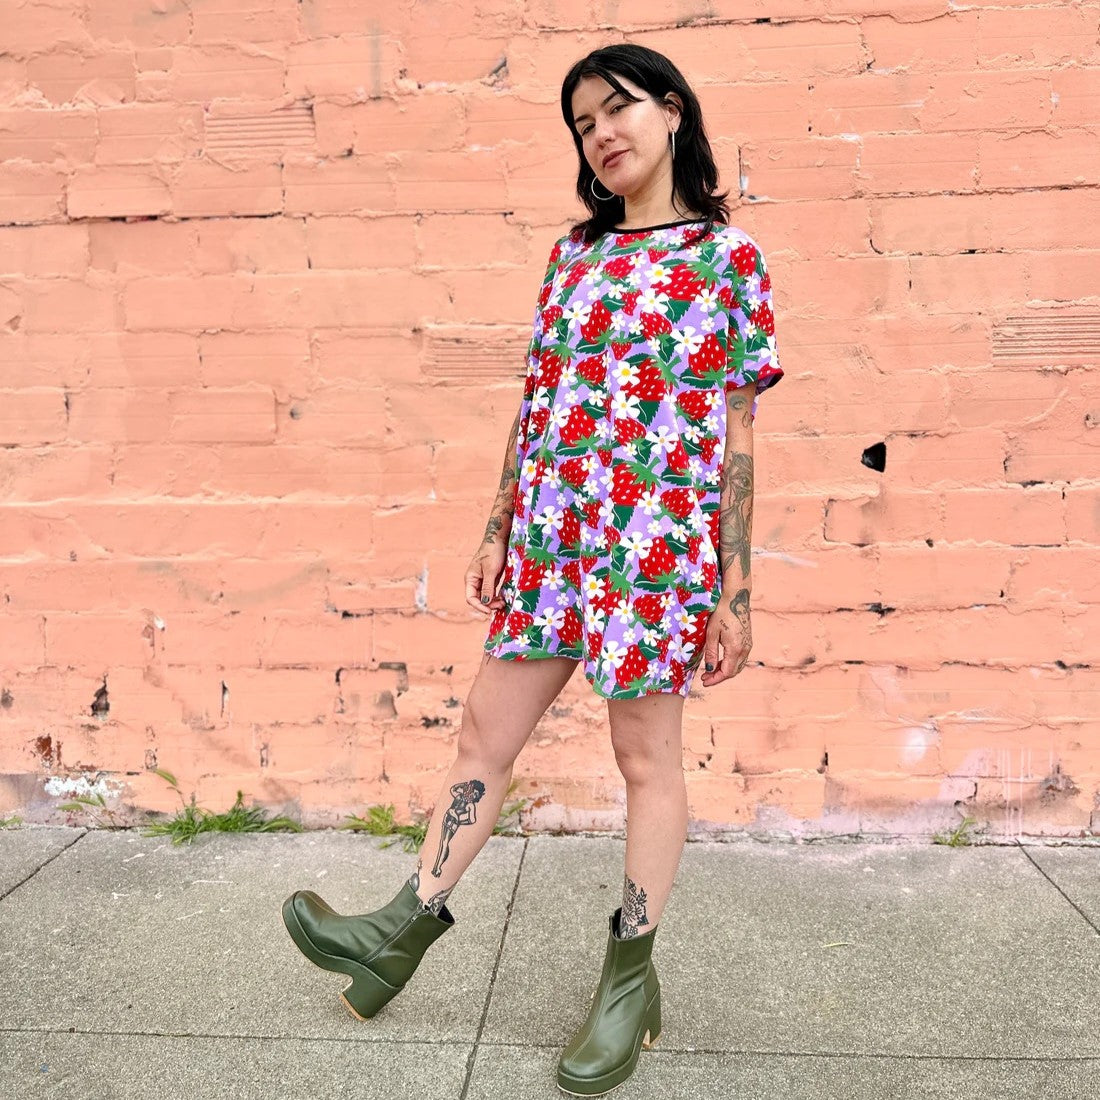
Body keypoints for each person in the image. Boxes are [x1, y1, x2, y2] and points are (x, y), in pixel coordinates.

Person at [281, 42, 784, 1097]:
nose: (601, 133)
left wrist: (731, 588)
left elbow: (737, 432)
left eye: (618, 109)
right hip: (554, 539)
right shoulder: (571, 255)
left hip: (653, 547)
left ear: (674, 113)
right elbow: (537, 400)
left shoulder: (725, 258)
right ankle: (401, 923)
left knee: (644, 757)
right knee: (484, 730)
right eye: (581, 123)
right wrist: (497, 523)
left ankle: (625, 980)